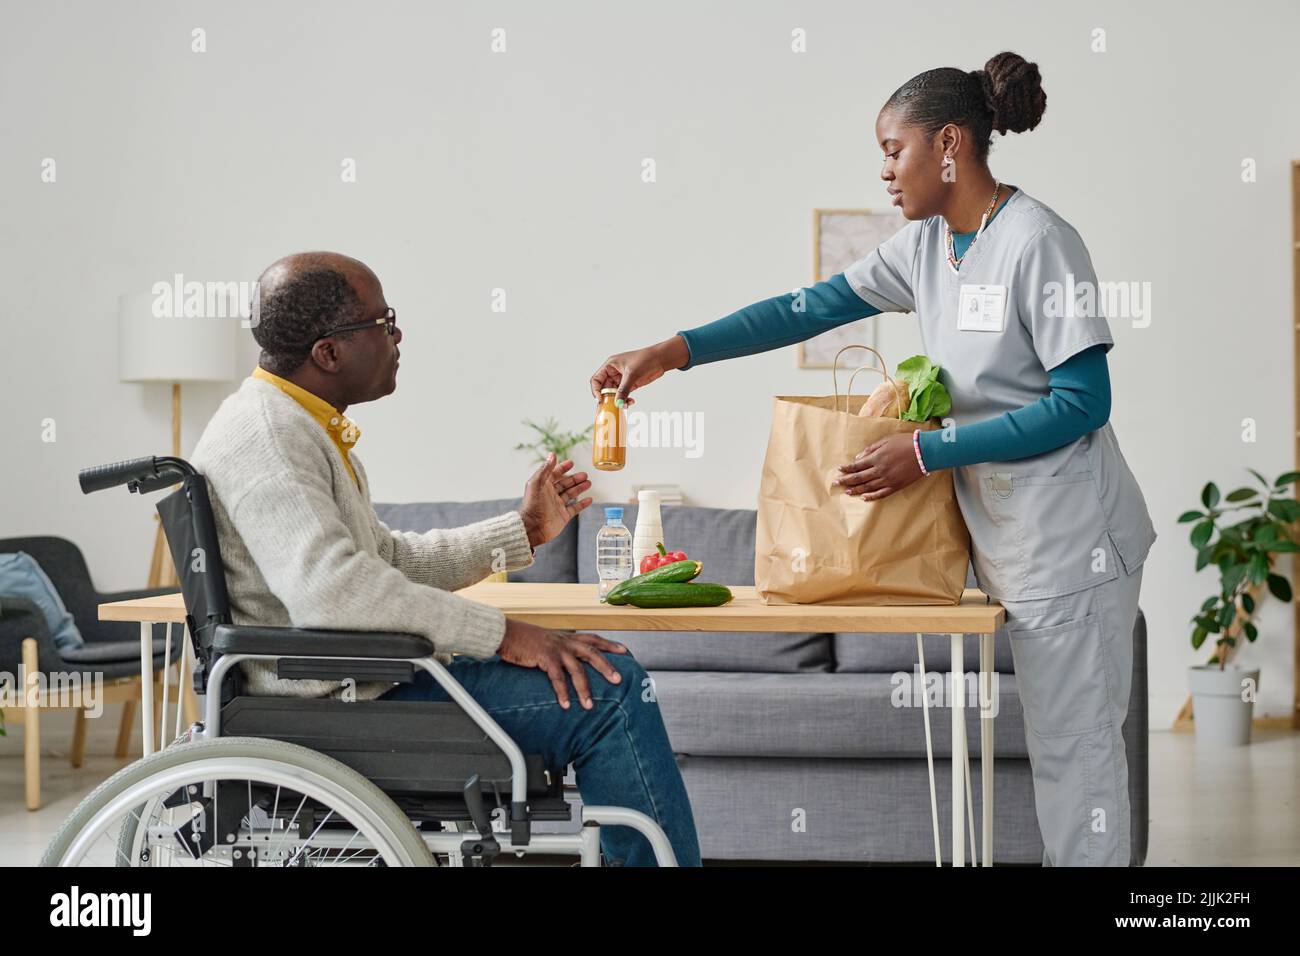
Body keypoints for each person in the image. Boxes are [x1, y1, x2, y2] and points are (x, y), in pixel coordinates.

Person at [589, 52, 1155, 867]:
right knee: (1060, 754)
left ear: (950, 144)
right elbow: (805, 309)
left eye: (895, 150)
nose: (886, 172)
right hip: (1011, 539)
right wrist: (672, 351)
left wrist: (926, 451)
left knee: (1079, 759)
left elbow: (1082, 404)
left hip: (1074, 541)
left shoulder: (1039, 241)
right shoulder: (928, 247)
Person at [192, 251, 700, 866]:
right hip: (337, 709)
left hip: (357, 690)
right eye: (384, 323)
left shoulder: (294, 423)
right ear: (328, 353)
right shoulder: (270, 436)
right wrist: (504, 634)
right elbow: (332, 592)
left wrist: (525, 529)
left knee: (603, 683)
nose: (398, 336)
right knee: (613, 693)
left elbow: (389, 561)